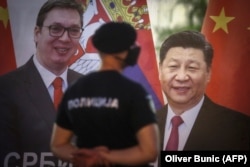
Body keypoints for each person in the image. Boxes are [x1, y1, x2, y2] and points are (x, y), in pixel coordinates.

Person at [50, 21, 160, 167]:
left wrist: (85, 157)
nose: (135, 48)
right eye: (132, 44)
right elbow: (149, 152)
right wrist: (102, 156)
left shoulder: (74, 90)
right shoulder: (134, 92)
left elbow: (58, 145)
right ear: (121, 52)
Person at [0, 0, 84, 166]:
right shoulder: (5, 89)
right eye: (56, 29)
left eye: (74, 30)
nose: (65, 38)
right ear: (37, 33)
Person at [156, 30, 250, 153]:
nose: (182, 77)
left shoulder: (240, 130)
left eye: (192, 68)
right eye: (173, 66)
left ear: (208, 73)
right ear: (160, 71)